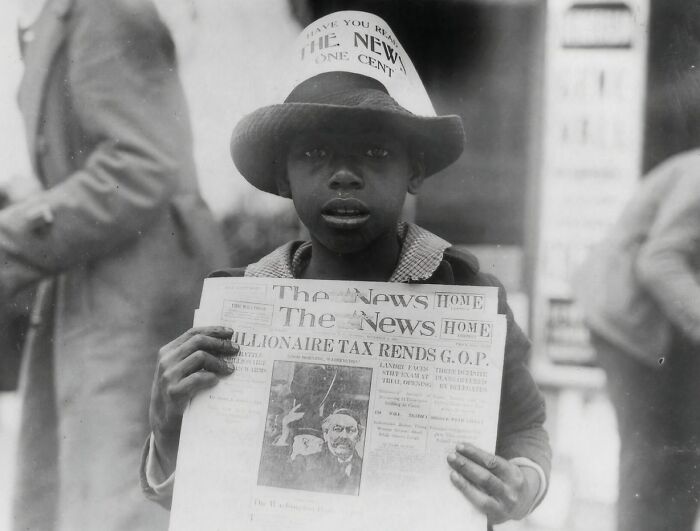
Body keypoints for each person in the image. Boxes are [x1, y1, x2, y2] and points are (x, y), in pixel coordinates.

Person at [141, 11, 550, 527]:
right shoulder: (239, 305)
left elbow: (526, 426)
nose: (343, 176)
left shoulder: (466, 291)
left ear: (415, 169)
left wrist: (522, 484)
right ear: (284, 176)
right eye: (315, 152)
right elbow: (197, 490)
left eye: (375, 151)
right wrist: (166, 428)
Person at [5, 0, 226, 529]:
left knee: (125, 495)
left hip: (135, 295)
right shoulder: (67, 14)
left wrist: (10, 243)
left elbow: (142, 164)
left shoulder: (106, 10)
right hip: (99, 282)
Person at [576, 151, 700, 531]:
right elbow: (658, 260)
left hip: (667, 328)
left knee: (684, 454)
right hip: (629, 321)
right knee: (649, 457)